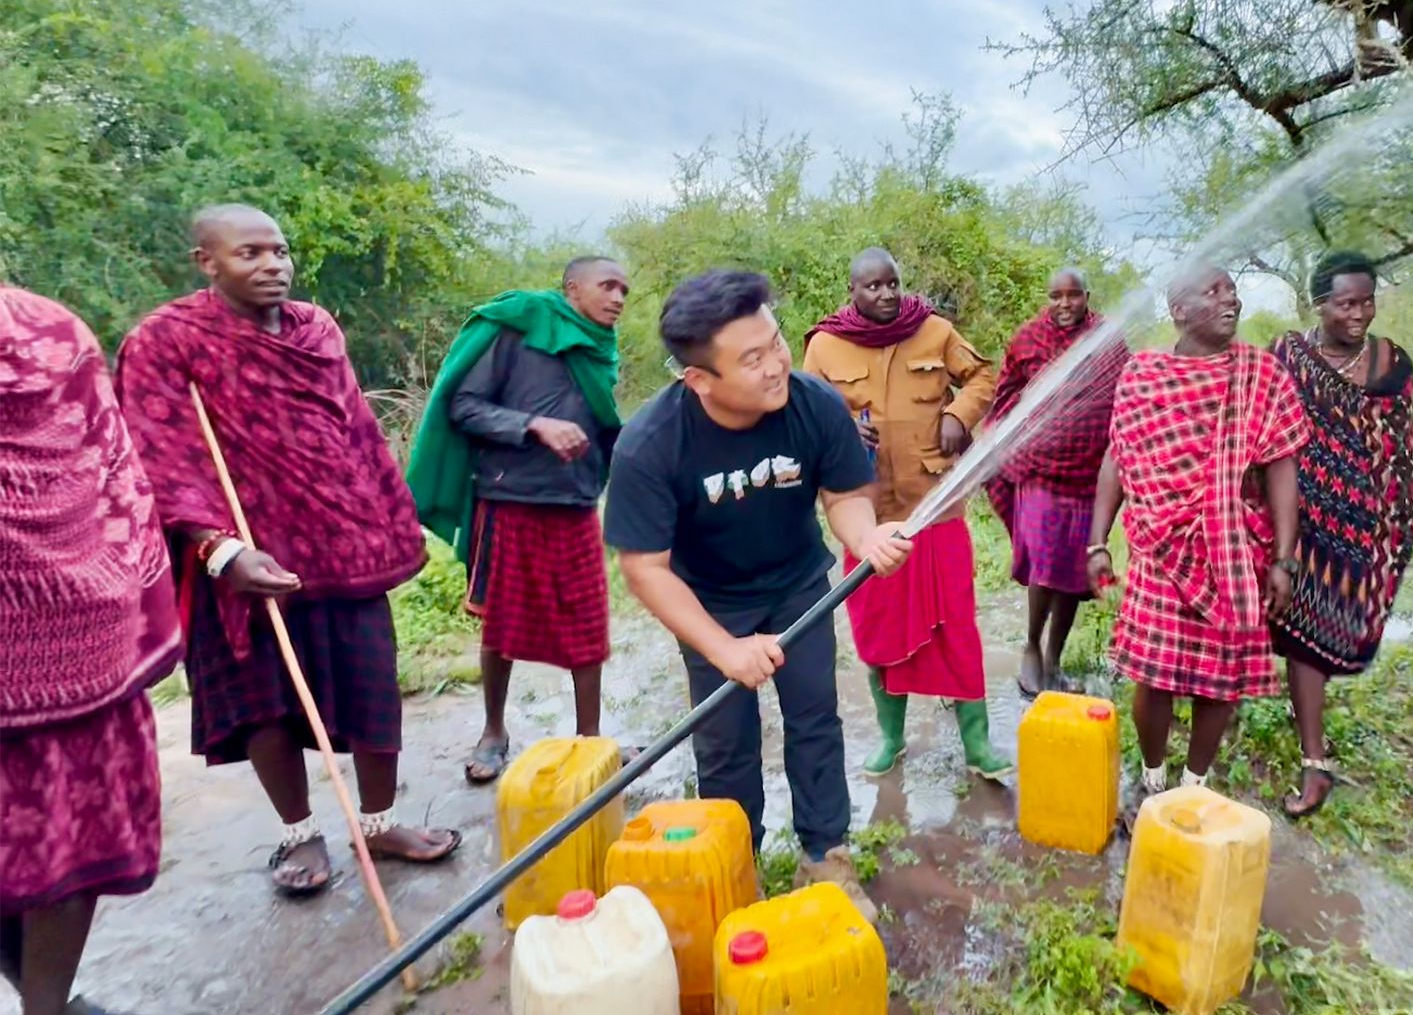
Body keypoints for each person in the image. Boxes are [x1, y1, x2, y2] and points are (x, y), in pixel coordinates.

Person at [115, 205, 459, 898]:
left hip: (342, 544)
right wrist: (220, 550)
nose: (273, 265)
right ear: (207, 262)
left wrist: (387, 518)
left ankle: (382, 822)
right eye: (250, 253)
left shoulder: (316, 329)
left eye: (279, 251)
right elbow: (160, 453)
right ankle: (299, 835)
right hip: (244, 556)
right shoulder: (167, 340)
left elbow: (355, 431)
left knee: (371, 687)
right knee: (266, 700)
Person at [604, 269, 910, 921]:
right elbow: (646, 569)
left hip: (800, 587)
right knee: (725, 745)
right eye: (752, 358)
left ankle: (826, 856)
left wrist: (867, 536)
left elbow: (846, 496)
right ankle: (734, 864)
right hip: (709, 600)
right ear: (700, 379)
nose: (776, 365)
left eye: (775, 343)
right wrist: (723, 647)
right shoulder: (651, 445)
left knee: (815, 721)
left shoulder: (813, 404)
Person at [0, 288, 181, 1015]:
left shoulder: (48, 333)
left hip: (70, 638)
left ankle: (46, 1005)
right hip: (84, 630)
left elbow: (104, 461)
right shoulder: (53, 326)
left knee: (63, 842)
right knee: (58, 842)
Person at [1088, 265, 1308, 812]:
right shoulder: (1142, 373)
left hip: (1233, 547)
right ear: (1180, 310)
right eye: (1214, 292)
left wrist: (1284, 558)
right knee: (1153, 675)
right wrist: (1098, 541)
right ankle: (1154, 774)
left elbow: (1282, 466)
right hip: (1160, 546)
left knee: (1220, 679)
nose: (1230, 299)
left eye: (1232, 289)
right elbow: (1118, 456)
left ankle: (1195, 784)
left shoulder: (1261, 374)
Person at [405, 260, 629, 783]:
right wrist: (533, 425)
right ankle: (493, 732)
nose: (618, 297)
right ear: (572, 288)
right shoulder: (519, 327)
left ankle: (590, 740)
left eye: (624, 290)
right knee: (501, 623)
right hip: (509, 495)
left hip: (573, 502)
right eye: (607, 286)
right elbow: (463, 406)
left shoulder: (601, 348)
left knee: (588, 622)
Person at [802, 248, 1011, 781]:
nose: (887, 295)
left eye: (893, 283)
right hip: (866, 516)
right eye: (873, 286)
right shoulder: (825, 345)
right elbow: (803, 407)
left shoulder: (935, 331)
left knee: (957, 624)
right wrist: (844, 427)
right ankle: (891, 737)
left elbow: (984, 377)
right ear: (852, 291)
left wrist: (958, 415)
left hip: (935, 510)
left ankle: (978, 743)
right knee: (876, 628)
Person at [1268, 252, 1413, 818]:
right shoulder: (1288, 356)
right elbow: (1261, 427)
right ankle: (1315, 761)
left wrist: (1398, 522)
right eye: (1346, 303)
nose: (1359, 313)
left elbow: (1404, 448)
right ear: (1320, 304)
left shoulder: (1393, 362)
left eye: (1367, 301)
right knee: (1305, 635)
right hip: (1303, 524)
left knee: (1336, 630)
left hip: (1372, 527)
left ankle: (1304, 710)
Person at [983, 268, 1128, 697]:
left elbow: (1123, 397)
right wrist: (1004, 436)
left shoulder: (1108, 341)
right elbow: (1006, 393)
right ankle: (1030, 645)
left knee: (1074, 572)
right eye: (1056, 296)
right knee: (1045, 565)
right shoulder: (1029, 339)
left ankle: (1054, 657)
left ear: (1087, 295)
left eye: (1074, 295)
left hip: (1088, 474)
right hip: (1039, 470)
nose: (1065, 304)